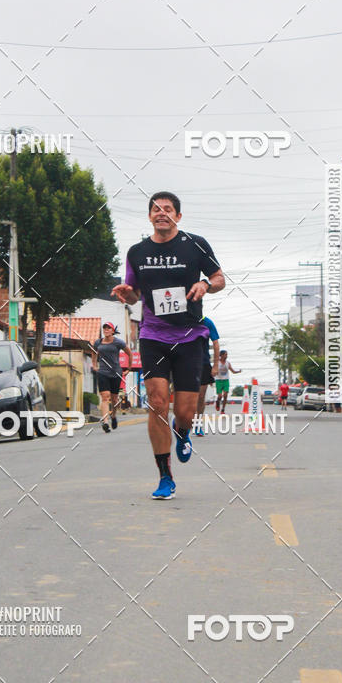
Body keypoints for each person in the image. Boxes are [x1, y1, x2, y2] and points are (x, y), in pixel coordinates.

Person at [112, 191, 225, 499]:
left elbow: (219, 278)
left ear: (178, 216)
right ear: (149, 216)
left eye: (168, 209)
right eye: (156, 209)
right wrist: (127, 293)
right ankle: (165, 476)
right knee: (158, 403)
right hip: (153, 335)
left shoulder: (196, 244)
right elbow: (134, 293)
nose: (162, 213)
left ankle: (184, 430)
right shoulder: (137, 252)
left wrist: (205, 284)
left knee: (185, 411)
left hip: (190, 337)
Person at [92, 322, 133, 432]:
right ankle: (105, 422)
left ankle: (113, 416)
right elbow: (94, 352)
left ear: (112, 330)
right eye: (104, 328)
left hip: (116, 373)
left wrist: (128, 368)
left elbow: (129, 353)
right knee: (105, 397)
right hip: (103, 373)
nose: (106, 330)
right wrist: (94, 365)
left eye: (108, 328)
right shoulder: (98, 342)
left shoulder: (118, 342)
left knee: (114, 399)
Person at [193, 315, 220, 437]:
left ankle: (198, 424)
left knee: (200, 396)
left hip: (203, 363)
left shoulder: (207, 322)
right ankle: (183, 423)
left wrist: (215, 366)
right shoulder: (184, 319)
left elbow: (215, 343)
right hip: (185, 363)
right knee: (187, 396)